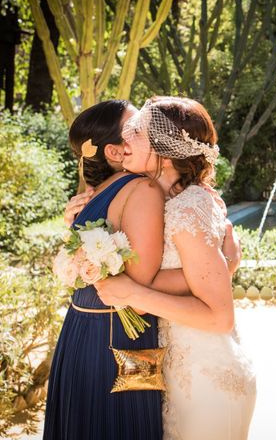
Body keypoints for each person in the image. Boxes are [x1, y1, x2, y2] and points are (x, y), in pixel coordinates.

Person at [94, 97, 256, 440]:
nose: (124, 143)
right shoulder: (168, 200)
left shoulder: (189, 207)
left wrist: (136, 294)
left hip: (208, 382)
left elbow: (219, 316)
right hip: (179, 377)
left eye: (135, 132)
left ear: (164, 149)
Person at [44, 100, 165, 440]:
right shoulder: (141, 189)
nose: (146, 130)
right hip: (117, 341)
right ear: (115, 151)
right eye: (135, 128)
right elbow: (141, 291)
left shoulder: (98, 192)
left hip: (82, 329)